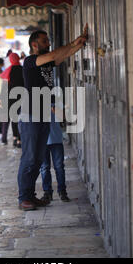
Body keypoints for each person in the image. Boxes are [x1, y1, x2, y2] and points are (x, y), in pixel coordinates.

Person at [17, 24, 88, 211]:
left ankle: (31, 196)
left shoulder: (45, 62)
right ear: (34, 45)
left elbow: (61, 56)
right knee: (30, 157)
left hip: (43, 114)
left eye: (48, 40)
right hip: (30, 114)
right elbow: (54, 55)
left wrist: (78, 45)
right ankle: (23, 197)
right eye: (44, 41)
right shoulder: (31, 61)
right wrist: (73, 42)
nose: (48, 43)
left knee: (38, 157)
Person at [39, 106, 70, 202]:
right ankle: (47, 193)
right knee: (44, 168)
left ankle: (62, 192)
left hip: (56, 139)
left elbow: (64, 117)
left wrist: (55, 109)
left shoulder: (55, 102)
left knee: (59, 167)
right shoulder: (35, 102)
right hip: (42, 140)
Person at [0, 52, 24, 147]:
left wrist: (1, 99)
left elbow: (4, 87)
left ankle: (14, 138)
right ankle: (19, 139)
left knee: (14, 118)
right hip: (22, 97)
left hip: (10, 98)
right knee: (20, 119)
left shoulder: (8, 70)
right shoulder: (23, 69)